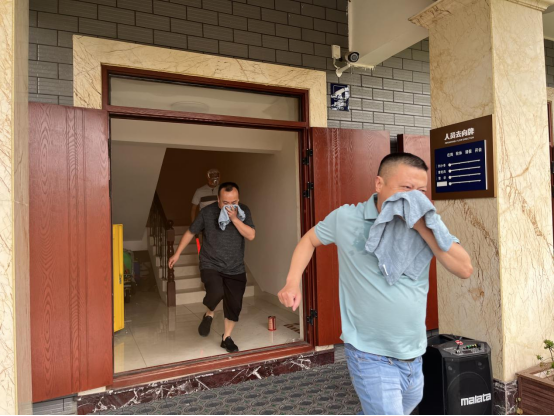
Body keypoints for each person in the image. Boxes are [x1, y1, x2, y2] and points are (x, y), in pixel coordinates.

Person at [277, 153, 473, 416]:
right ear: (379, 184)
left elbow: (464, 268)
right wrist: (292, 283)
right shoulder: (346, 218)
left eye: (421, 192)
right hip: (369, 353)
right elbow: (309, 240)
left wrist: (422, 227)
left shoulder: (426, 222)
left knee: (408, 403)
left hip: (414, 351)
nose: (413, 198)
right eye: (406, 188)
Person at [169, 182, 256, 353]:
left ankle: (226, 338)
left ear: (238, 200)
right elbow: (191, 232)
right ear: (218, 199)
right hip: (211, 263)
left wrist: (234, 219)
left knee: (234, 304)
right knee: (216, 292)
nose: (230, 206)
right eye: (225, 202)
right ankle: (209, 313)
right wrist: (177, 253)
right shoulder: (207, 212)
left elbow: (251, 235)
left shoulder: (243, 211)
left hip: (236, 266)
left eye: (234, 202)